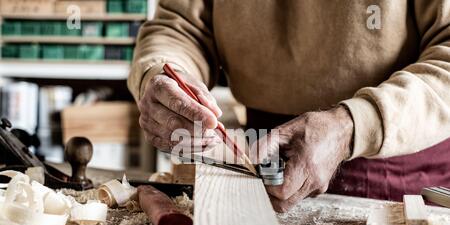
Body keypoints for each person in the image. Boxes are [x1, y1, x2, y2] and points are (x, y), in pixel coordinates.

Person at [128, 0, 450, 212]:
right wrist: (165, 73)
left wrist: (356, 125)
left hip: (395, 166)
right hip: (256, 164)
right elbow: (180, 27)